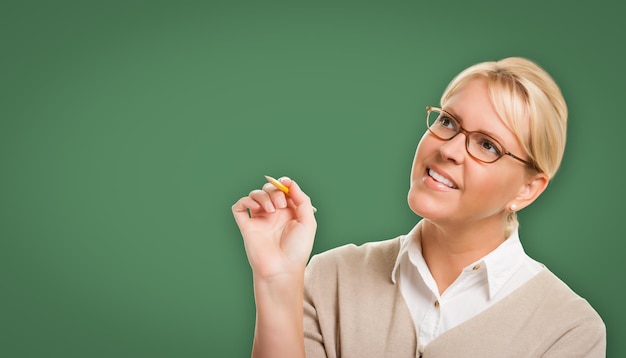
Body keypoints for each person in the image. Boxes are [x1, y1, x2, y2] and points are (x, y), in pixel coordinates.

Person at [231, 57, 606, 357]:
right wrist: (277, 280)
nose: (448, 148)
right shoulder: (332, 277)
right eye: (447, 122)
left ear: (527, 189)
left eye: (487, 145)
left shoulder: (569, 329)